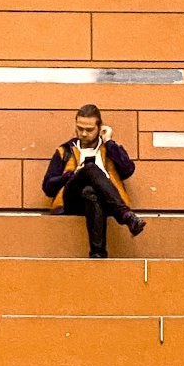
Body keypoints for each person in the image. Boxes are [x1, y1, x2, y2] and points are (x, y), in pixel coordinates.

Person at [41, 105, 146, 259]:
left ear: (99, 128)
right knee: (89, 168)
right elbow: (48, 187)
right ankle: (125, 215)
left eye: (89, 130)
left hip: (106, 202)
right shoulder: (65, 150)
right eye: (80, 128)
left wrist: (108, 141)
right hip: (72, 200)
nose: (84, 133)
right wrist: (71, 174)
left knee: (90, 192)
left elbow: (128, 169)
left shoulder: (109, 149)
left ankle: (98, 254)